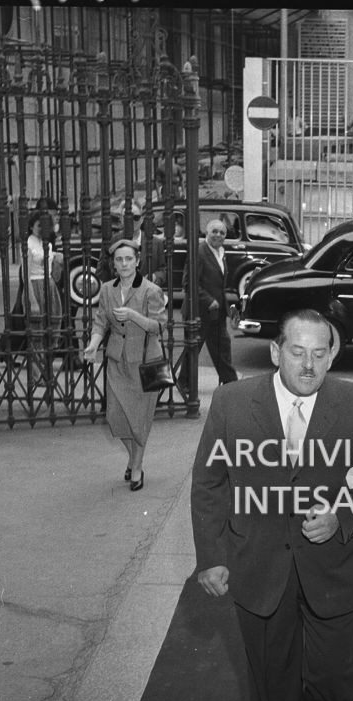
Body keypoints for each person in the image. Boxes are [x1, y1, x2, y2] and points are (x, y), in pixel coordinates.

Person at [190, 309, 353, 701]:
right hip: (259, 568)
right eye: (298, 352)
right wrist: (211, 557)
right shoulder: (231, 403)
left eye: (320, 354)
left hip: (333, 568)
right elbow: (209, 483)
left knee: (336, 687)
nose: (308, 365)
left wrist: (341, 516)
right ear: (275, 351)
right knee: (272, 690)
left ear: (331, 356)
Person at [81, 238, 167, 491]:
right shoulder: (107, 289)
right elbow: (101, 322)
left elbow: (159, 325)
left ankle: (137, 467)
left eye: (129, 259)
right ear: (113, 265)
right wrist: (93, 344)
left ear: (137, 262)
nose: (124, 263)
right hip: (117, 362)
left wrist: (133, 316)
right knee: (116, 418)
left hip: (145, 363)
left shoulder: (151, 290)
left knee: (139, 420)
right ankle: (133, 458)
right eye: (119, 260)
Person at [183, 217, 239, 386]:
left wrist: (227, 308)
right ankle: (184, 383)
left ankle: (230, 383)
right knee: (193, 350)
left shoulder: (221, 252)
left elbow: (219, 284)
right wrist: (208, 300)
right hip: (198, 312)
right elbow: (188, 283)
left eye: (222, 232)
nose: (218, 235)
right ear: (206, 233)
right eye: (214, 231)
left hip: (217, 313)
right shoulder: (199, 253)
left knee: (222, 346)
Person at [25, 209, 65, 385]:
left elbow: (54, 274)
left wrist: (58, 260)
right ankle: (36, 376)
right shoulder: (29, 243)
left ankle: (46, 373)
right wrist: (32, 299)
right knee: (37, 333)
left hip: (49, 286)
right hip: (35, 285)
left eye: (45, 225)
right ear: (32, 225)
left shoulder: (47, 244)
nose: (42, 228)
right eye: (39, 224)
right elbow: (25, 274)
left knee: (51, 330)